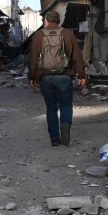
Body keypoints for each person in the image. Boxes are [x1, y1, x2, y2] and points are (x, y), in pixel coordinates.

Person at [27, 10, 86, 146]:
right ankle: (65, 125)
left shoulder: (39, 35)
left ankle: (54, 138)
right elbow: (77, 56)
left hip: (45, 77)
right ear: (58, 21)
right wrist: (81, 75)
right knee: (65, 105)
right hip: (64, 76)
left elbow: (33, 59)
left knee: (51, 108)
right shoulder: (67, 34)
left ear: (46, 21)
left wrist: (32, 77)